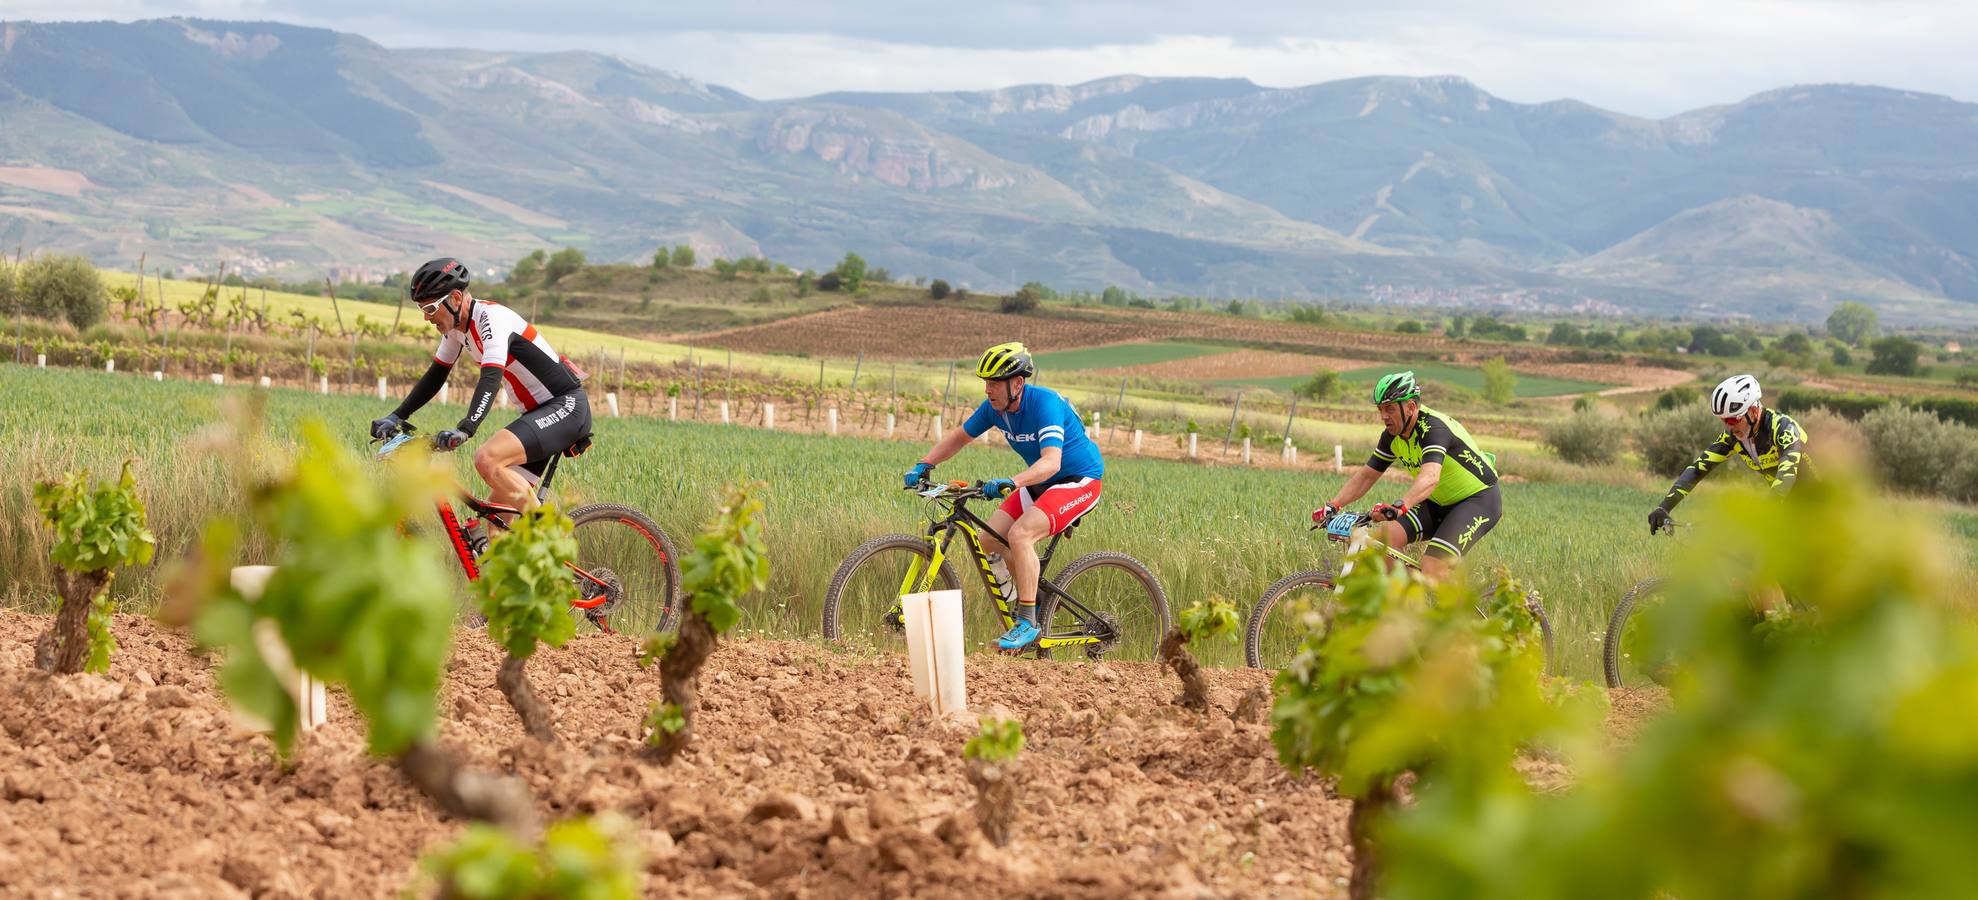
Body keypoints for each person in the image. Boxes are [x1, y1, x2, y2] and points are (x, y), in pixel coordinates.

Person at [370, 258, 591, 541]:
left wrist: (466, 428)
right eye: (421, 309)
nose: (426, 317)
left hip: (565, 406)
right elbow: (435, 376)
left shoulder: (491, 319)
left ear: (456, 298)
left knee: (487, 459)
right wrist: (397, 416)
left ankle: (552, 543)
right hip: (538, 415)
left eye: (430, 308)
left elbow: (491, 377)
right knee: (498, 524)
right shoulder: (456, 331)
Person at [904, 342, 1104, 652]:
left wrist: (1011, 481)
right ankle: (1030, 598)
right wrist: (925, 463)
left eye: (994, 382)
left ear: (1018, 383)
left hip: (1078, 480)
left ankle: (1027, 621)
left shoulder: (1045, 404)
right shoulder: (994, 409)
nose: (988, 389)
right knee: (988, 539)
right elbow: (960, 437)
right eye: (985, 382)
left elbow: (1052, 461)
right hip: (1041, 483)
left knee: (1020, 535)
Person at [1313, 371, 1501, 581]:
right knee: (1381, 544)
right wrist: (1333, 505)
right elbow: (1367, 475)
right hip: (1436, 502)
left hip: (1477, 501)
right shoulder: (1392, 437)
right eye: (1381, 409)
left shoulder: (1434, 429)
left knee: (1433, 566)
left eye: (1390, 409)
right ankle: (1407, 605)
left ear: (1411, 407)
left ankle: (1458, 612)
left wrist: (1399, 507)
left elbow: (1430, 476)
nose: (1384, 416)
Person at [1649, 374, 1808, 534]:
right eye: (1723, 421)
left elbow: (1786, 476)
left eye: (1732, 420)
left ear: (1752, 412)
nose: (1728, 427)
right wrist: (1664, 507)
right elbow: (1697, 470)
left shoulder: (1783, 429)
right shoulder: (1734, 438)